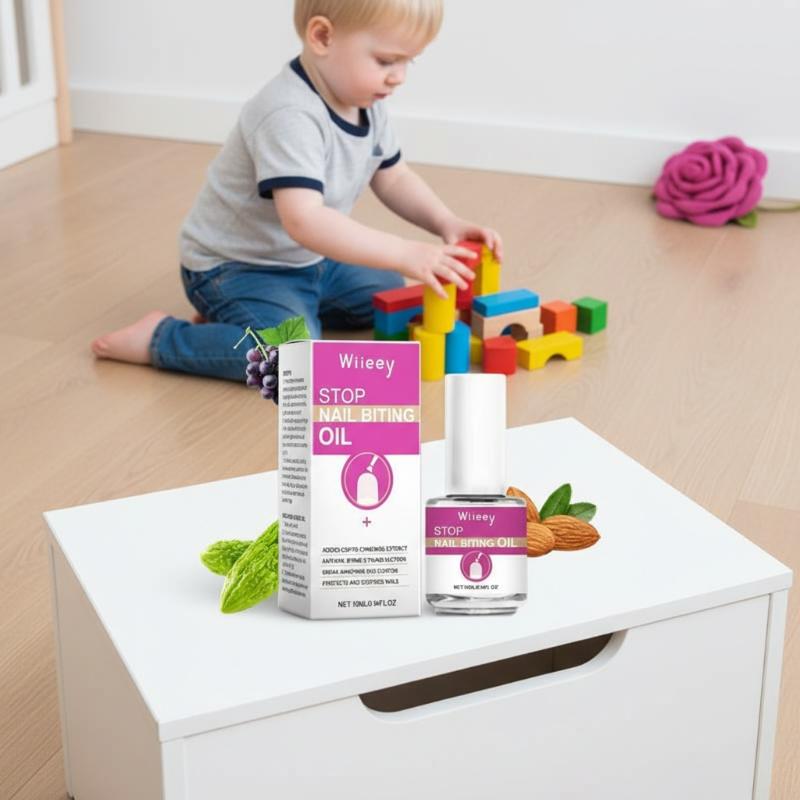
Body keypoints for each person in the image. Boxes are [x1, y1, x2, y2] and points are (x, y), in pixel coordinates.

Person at [91, 0, 503, 381]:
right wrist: (404, 250)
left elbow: (393, 176)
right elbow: (304, 220)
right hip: (235, 268)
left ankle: (247, 320)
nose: (399, 77)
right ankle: (161, 339)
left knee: (392, 293)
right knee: (295, 359)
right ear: (322, 37)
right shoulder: (287, 113)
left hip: (310, 260)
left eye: (408, 62)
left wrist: (446, 222)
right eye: (385, 61)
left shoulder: (367, 102)